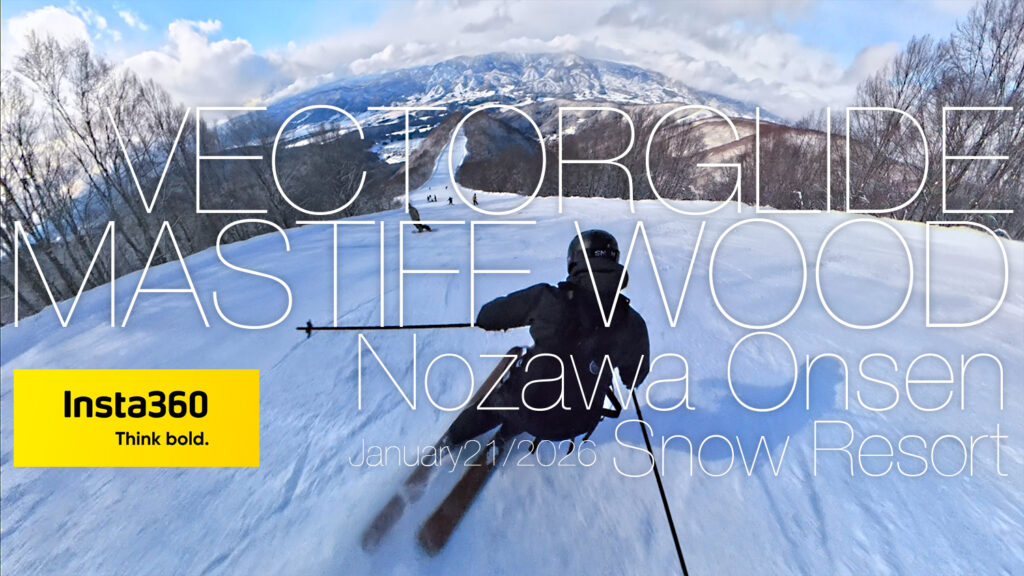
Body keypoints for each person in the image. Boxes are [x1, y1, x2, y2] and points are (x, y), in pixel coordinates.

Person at [442, 229, 650, 447]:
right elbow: (635, 377)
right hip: (582, 421)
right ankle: (510, 430)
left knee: (502, 403)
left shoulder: (548, 298)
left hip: (529, 409)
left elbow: (488, 316)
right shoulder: (633, 323)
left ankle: (453, 437)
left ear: (576, 260)